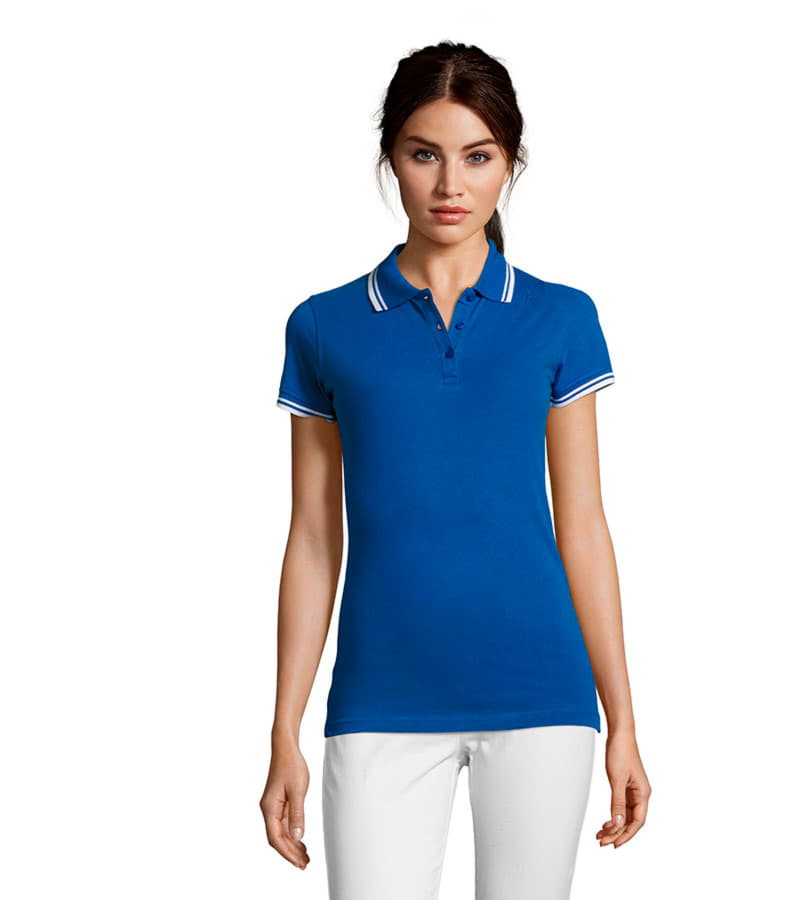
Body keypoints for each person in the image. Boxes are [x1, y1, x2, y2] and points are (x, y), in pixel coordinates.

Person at [260, 40, 651, 900]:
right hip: (379, 700)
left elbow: (583, 525)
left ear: (509, 164)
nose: (450, 185)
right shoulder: (323, 326)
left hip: (541, 693)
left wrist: (623, 718)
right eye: (424, 154)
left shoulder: (560, 318)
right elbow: (314, 538)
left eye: (477, 157)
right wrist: (284, 728)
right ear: (390, 159)